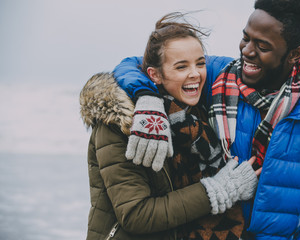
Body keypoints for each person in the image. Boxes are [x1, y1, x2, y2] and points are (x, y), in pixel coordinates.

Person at [112, 0, 300, 239]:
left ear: (295, 53)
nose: (246, 51)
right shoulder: (216, 76)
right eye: (245, 37)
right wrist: (148, 99)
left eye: (262, 46)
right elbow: (137, 65)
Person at [80, 12, 259, 240]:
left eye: (200, 63)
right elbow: (136, 215)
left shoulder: (200, 112)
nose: (195, 74)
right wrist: (220, 189)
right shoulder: (121, 124)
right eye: (181, 67)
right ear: (155, 75)